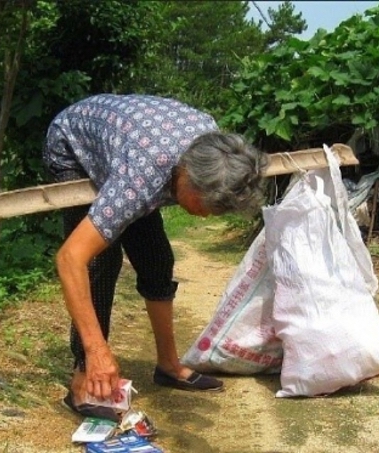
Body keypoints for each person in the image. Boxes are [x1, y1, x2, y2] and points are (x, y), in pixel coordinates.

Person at [42, 93, 267, 418]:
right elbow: (69, 259)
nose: (204, 216)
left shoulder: (212, 148)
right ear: (186, 176)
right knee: (99, 262)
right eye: (204, 206)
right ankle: (82, 374)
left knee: (157, 260)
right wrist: (97, 351)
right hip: (72, 143)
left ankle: (168, 365)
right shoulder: (140, 177)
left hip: (134, 150)